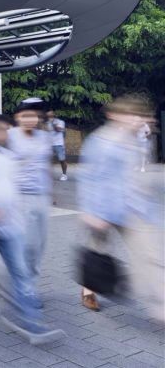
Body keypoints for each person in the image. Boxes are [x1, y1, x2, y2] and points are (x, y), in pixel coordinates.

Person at [0, 114, 64, 343]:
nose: (8, 135)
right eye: (4, 131)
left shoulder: (7, 156)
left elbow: (13, 186)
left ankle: (32, 322)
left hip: (9, 225)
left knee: (21, 271)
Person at [77, 96, 164, 322]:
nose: (136, 120)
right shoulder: (99, 142)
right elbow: (90, 179)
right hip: (103, 212)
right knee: (96, 254)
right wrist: (92, 212)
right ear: (114, 115)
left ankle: (160, 304)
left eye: (139, 115)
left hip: (133, 210)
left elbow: (136, 174)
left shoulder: (136, 140)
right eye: (131, 115)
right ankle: (88, 290)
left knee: (150, 256)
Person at [7, 98, 51, 288]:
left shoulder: (44, 137)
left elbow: (45, 165)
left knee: (39, 245)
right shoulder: (9, 136)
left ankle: (26, 282)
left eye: (33, 116)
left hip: (41, 196)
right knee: (27, 244)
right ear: (17, 117)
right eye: (25, 116)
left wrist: (51, 190)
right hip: (18, 196)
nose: (30, 120)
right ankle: (24, 287)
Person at [45, 110, 68, 181]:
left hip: (59, 144)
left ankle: (64, 175)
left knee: (62, 160)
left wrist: (53, 123)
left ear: (54, 115)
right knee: (48, 160)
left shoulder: (60, 122)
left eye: (50, 115)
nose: (49, 116)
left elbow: (58, 129)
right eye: (48, 115)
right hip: (50, 144)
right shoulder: (47, 123)